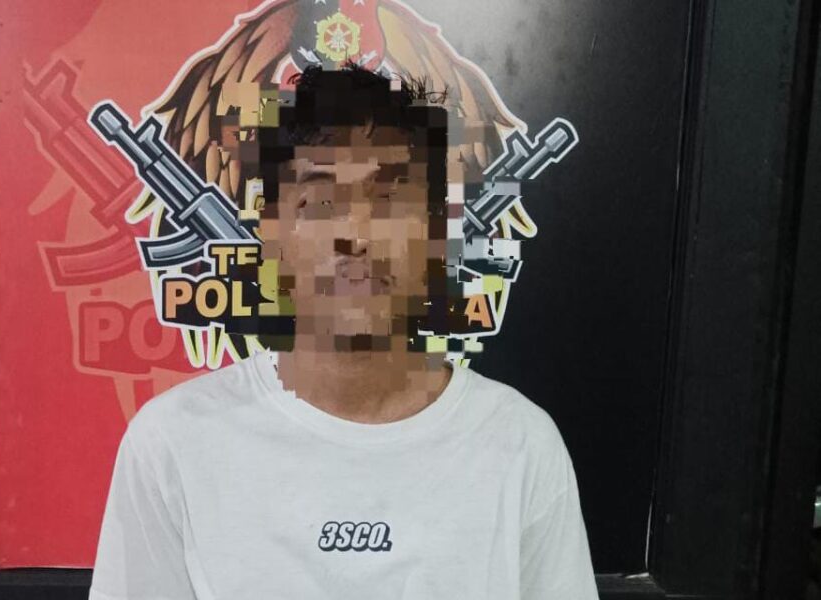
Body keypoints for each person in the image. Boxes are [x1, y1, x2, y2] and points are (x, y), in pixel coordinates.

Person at [88, 64, 599, 600]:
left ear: (434, 234)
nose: (354, 235)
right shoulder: (173, 442)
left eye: (389, 199)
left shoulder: (519, 443)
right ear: (273, 236)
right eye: (319, 202)